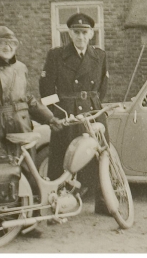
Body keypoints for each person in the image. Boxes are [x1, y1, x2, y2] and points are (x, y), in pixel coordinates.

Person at [0, 26, 62, 237]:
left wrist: (49, 118)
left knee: (25, 176)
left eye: (12, 43)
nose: (8, 47)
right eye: (2, 43)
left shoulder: (21, 68)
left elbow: (27, 100)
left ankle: (26, 224)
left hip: (19, 129)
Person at [39, 13, 110, 215]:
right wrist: (57, 113)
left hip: (92, 112)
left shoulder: (99, 55)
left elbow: (102, 88)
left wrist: (92, 103)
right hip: (67, 112)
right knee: (62, 157)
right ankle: (56, 203)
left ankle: (103, 200)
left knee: (100, 154)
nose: (80, 37)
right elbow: (46, 90)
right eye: (76, 32)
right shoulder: (56, 55)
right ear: (70, 34)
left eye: (84, 32)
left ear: (91, 34)